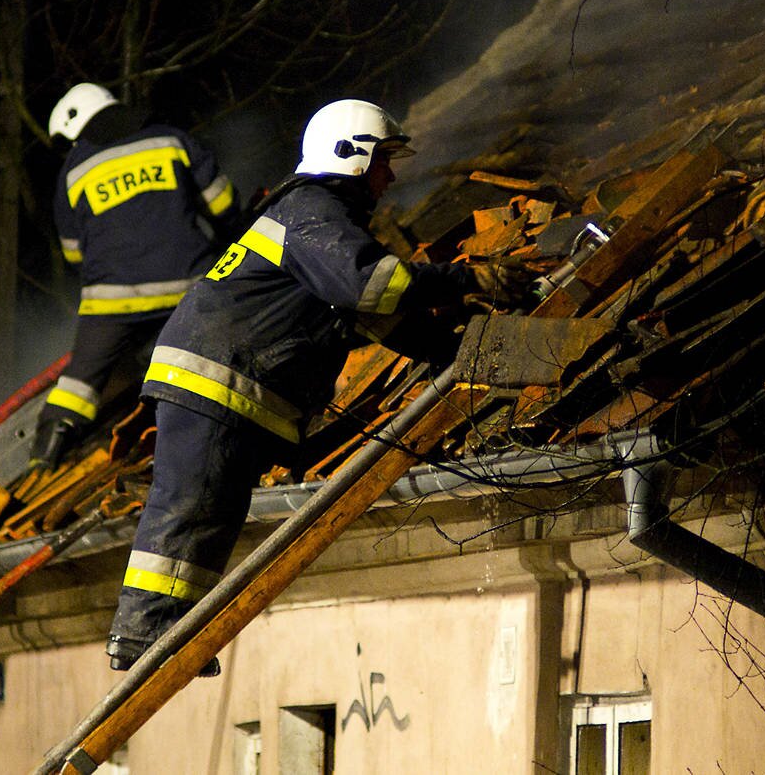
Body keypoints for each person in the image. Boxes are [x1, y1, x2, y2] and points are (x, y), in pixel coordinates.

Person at [104, 98, 534, 675]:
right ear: (350, 155)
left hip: (222, 380)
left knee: (212, 515)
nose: (390, 176)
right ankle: (143, 631)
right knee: (191, 506)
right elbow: (373, 286)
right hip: (212, 379)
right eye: (383, 160)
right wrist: (465, 278)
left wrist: (456, 351)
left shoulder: (320, 222)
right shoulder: (313, 210)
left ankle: (172, 632)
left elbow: (379, 316)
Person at [28, 82, 241, 476]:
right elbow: (223, 202)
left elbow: (74, 253)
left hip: (112, 302)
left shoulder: (73, 171)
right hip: (188, 286)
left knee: (78, 383)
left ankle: (44, 460)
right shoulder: (171, 139)